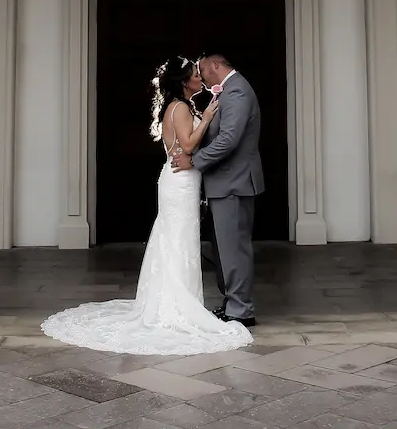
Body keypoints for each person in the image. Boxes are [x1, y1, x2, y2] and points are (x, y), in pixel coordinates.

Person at [40, 56, 252, 354]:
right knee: (176, 239)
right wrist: (206, 119)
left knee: (181, 240)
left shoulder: (184, 106)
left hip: (186, 180)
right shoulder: (179, 108)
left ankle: (181, 301)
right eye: (195, 74)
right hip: (179, 180)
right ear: (184, 82)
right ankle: (175, 305)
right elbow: (188, 146)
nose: (200, 78)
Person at [172, 53, 262, 326]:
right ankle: (232, 304)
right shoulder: (230, 91)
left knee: (234, 249)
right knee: (225, 249)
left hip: (233, 182)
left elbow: (228, 140)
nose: (199, 75)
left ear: (216, 65)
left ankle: (241, 309)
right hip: (225, 182)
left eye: (201, 69)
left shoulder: (237, 92)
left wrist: (194, 161)